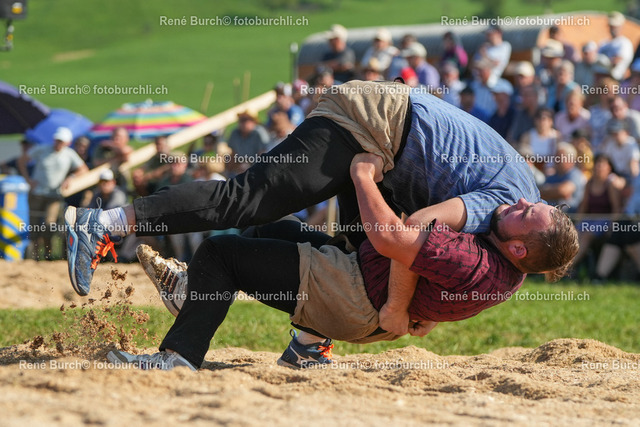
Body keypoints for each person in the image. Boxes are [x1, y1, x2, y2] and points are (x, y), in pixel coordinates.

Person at [64, 79, 546, 331]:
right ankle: (102, 222)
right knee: (247, 200)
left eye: (527, 212)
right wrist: (400, 309)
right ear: (520, 252)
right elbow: (416, 232)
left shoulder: (525, 203)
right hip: (371, 124)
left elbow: (425, 250)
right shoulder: (502, 204)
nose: (523, 204)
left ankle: (307, 343)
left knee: (357, 255)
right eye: (527, 210)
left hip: (393, 139)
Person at [106, 153, 578, 371]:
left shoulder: (476, 260)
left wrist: (362, 177)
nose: (519, 201)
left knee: (220, 254)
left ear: (520, 249)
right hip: (359, 286)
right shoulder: (507, 268)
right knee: (268, 229)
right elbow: (436, 279)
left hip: (351, 296)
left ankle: (177, 359)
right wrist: (424, 311)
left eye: (525, 213)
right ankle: (300, 344)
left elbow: (396, 238)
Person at [18, 127, 88, 260]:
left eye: (61, 141)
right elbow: (21, 161)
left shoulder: (69, 154)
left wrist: (70, 178)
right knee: (34, 226)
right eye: (57, 140)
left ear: (67, 142)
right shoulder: (42, 149)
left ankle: (47, 254)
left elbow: (83, 169)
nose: (58, 143)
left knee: (49, 225)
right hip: (36, 194)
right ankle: (34, 256)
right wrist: (28, 179)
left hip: (54, 196)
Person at [572, 154, 621, 269]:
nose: (599, 166)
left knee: (587, 235)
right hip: (589, 219)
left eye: (602, 164)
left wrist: (613, 226)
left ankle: (568, 267)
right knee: (574, 235)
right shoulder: (589, 183)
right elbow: (584, 206)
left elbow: (616, 207)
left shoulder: (610, 184)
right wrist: (577, 222)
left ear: (609, 168)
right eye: (597, 163)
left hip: (605, 220)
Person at [539, 142, 587, 212]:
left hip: (571, 216)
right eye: (556, 157)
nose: (556, 160)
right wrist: (557, 192)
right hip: (552, 215)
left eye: (560, 157)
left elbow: (563, 191)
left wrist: (549, 192)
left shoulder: (575, 175)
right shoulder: (552, 177)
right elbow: (540, 193)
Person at [226, 109, 270, 175]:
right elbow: (233, 154)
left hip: (257, 169)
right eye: (241, 120)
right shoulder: (235, 133)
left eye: (245, 120)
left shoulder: (259, 133)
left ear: (254, 121)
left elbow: (263, 155)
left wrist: (250, 166)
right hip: (239, 167)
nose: (242, 123)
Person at [598, 11, 634, 81]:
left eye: (615, 26)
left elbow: (616, 61)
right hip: (600, 79)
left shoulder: (624, 43)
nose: (612, 29)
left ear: (621, 26)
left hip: (615, 80)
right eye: (611, 26)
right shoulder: (604, 43)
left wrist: (603, 61)